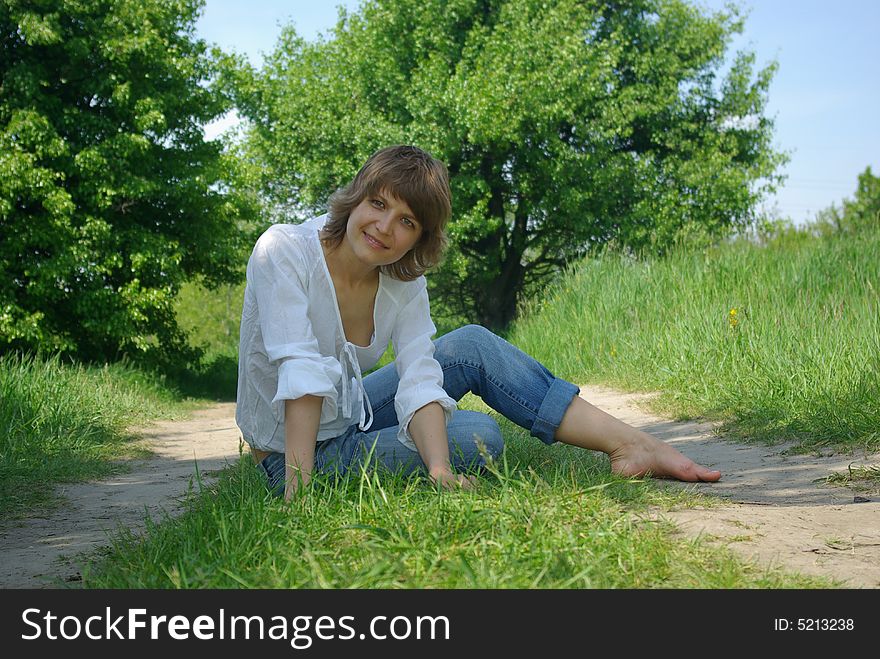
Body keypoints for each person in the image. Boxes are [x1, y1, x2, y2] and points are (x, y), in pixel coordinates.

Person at [236, 145, 721, 501]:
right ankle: (307, 477)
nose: (385, 227)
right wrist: (297, 495)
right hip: (294, 455)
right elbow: (300, 374)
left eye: (408, 221)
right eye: (379, 205)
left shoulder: (402, 283)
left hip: (350, 412)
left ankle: (631, 444)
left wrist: (440, 470)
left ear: (419, 238)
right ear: (355, 200)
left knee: (469, 344)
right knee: (478, 437)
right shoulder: (284, 250)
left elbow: (420, 376)